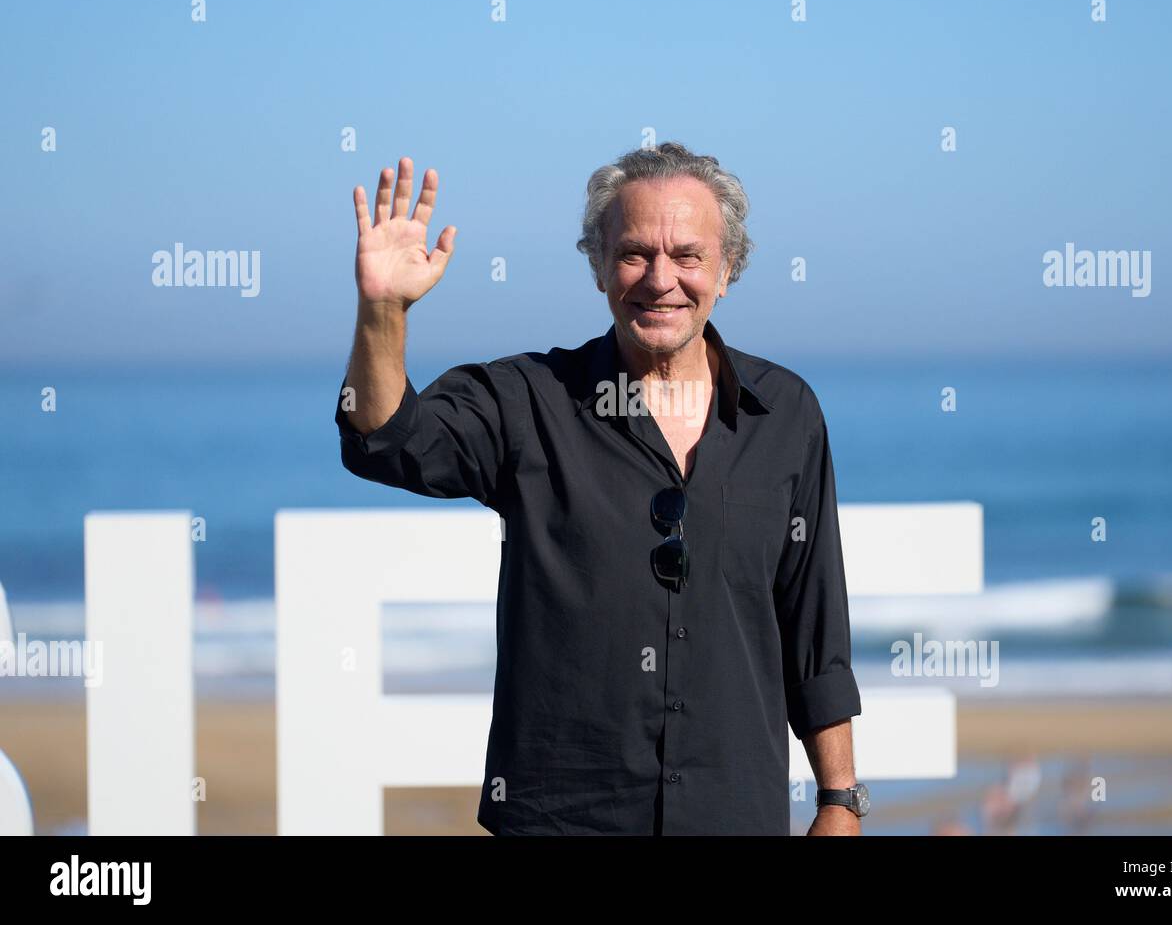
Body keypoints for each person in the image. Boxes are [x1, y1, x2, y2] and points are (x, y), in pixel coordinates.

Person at [335, 141, 864, 835]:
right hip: (562, 818)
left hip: (735, 815)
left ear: (727, 269)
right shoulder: (528, 400)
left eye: (687, 256)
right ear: (599, 267)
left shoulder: (787, 413)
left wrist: (839, 800)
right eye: (635, 253)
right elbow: (384, 441)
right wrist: (383, 312)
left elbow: (813, 624)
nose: (660, 278)